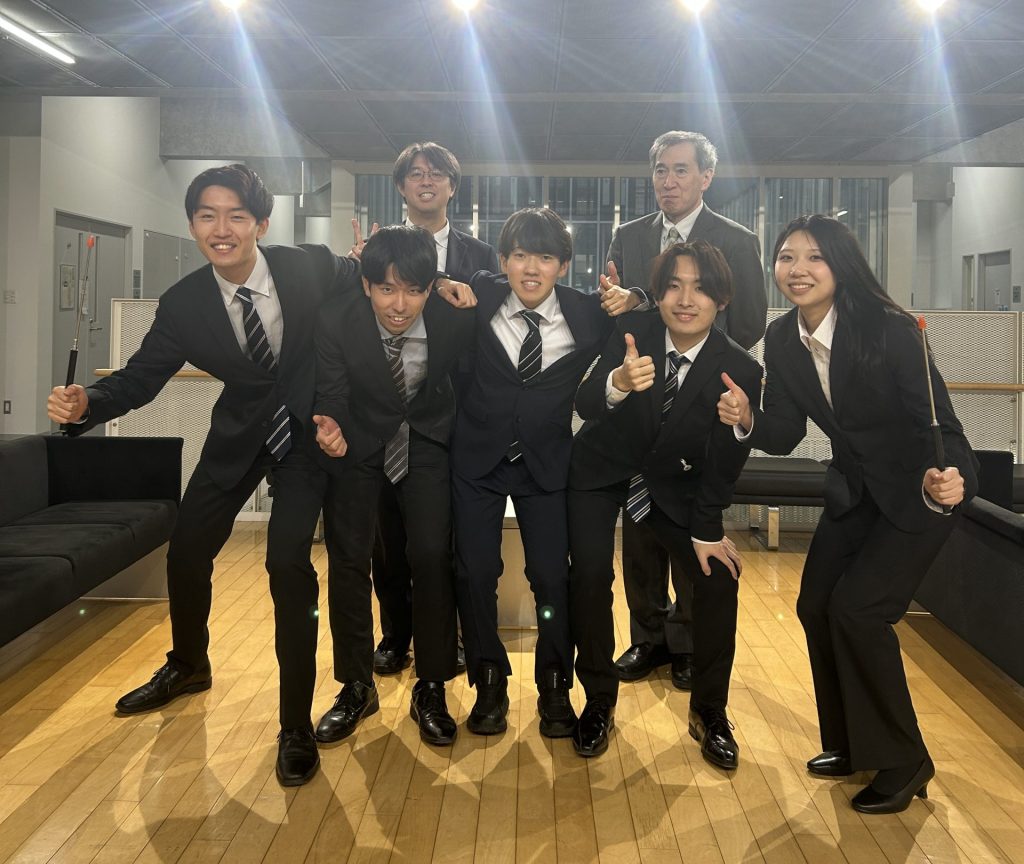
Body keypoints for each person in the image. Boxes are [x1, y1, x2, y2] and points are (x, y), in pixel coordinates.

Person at [46, 164, 360, 786]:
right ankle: (189, 663)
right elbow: (140, 379)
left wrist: (444, 285)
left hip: (306, 438)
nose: (222, 229)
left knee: (287, 565)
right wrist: (88, 404)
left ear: (261, 223)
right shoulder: (184, 304)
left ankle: (295, 724)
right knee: (187, 551)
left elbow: (372, 275)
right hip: (239, 436)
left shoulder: (307, 266)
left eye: (236, 216)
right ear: (192, 226)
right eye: (207, 216)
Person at [717, 214, 977, 813]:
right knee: (815, 606)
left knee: (859, 611)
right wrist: (747, 418)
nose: (798, 270)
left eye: (815, 257)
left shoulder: (890, 329)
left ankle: (905, 760)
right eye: (787, 257)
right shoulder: (783, 337)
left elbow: (943, 427)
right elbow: (785, 431)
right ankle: (852, 743)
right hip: (855, 493)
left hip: (918, 492)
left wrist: (952, 478)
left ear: (841, 265)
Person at [568, 240, 761, 763]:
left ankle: (710, 711)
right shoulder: (633, 331)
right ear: (657, 294)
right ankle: (599, 700)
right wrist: (617, 383)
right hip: (601, 471)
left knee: (719, 577)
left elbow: (724, 462)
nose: (685, 299)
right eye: (673, 286)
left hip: (673, 484)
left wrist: (708, 530)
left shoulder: (739, 367)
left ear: (721, 299)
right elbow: (586, 402)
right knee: (589, 575)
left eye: (700, 288)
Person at [604, 131, 768, 694]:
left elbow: (749, 320)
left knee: (690, 529)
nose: (668, 181)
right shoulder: (629, 235)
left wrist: (694, 352)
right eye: (660, 171)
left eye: (680, 170)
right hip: (643, 397)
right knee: (640, 533)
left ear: (706, 177)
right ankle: (647, 636)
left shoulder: (737, 240)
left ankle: (686, 642)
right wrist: (626, 306)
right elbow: (623, 315)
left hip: (702, 402)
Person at [450, 207, 617, 739]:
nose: (531, 268)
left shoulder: (588, 314)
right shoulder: (480, 294)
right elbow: (431, 286)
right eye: (520, 255)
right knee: (475, 572)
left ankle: (554, 682)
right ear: (503, 260)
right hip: (477, 459)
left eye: (544, 257)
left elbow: (640, 317)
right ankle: (489, 679)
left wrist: (634, 296)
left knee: (550, 576)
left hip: (545, 464)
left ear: (562, 266)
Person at [311, 225, 475, 747]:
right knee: (349, 558)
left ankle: (432, 684)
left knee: (430, 555)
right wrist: (332, 427)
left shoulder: (452, 314)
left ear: (431, 287)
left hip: (426, 440)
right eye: (386, 289)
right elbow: (332, 390)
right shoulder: (337, 320)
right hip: (359, 442)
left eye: (412, 290)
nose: (399, 305)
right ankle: (356, 686)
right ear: (366, 285)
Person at [365, 142, 499, 677]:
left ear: (452, 186)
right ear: (401, 186)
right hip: (386, 413)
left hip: (459, 412)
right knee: (387, 539)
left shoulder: (481, 255)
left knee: (445, 538)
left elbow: (489, 330)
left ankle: (450, 636)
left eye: (437, 173)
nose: (426, 181)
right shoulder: (375, 249)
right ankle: (396, 634)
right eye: (416, 173)